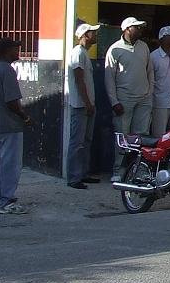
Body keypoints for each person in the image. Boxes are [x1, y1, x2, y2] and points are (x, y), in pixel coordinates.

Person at [0, 37, 31, 215]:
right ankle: (7, 201)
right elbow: (12, 101)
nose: (18, 52)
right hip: (9, 125)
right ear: (6, 51)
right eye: (15, 49)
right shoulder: (8, 71)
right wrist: (24, 116)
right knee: (10, 164)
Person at [65, 23, 101, 190]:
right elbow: (79, 80)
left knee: (86, 141)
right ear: (86, 35)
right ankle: (73, 177)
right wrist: (87, 103)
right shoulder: (78, 53)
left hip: (87, 104)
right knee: (77, 142)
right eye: (93, 33)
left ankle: (83, 173)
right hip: (80, 105)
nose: (96, 36)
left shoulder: (83, 53)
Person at [105, 16, 153, 139]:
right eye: (136, 27)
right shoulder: (114, 50)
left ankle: (138, 160)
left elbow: (150, 72)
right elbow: (109, 78)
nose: (140, 29)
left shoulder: (144, 47)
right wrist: (114, 102)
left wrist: (149, 93)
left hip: (143, 99)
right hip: (124, 100)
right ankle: (121, 160)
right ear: (127, 29)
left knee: (141, 137)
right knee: (122, 137)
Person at [150, 25, 170, 136]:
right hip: (159, 103)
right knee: (159, 136)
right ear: (164, 38)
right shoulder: (153, 57)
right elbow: (150, 81)